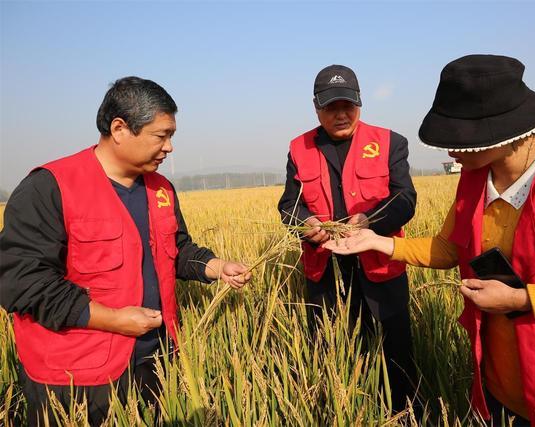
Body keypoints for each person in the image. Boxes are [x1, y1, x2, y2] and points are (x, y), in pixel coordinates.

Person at [323, 55, 535, 426]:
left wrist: (523, 299)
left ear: (506, 133)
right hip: (500, 390)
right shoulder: (475, 177)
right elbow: (449, 248)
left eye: (458, 139)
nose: (450, 150)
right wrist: (378, 242)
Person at [0, 76, 252, 425]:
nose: (169, 148)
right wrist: (114, 319)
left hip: (155, 364)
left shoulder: (160, 188)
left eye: (171, 136)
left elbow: (176, 248)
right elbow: (23, 282)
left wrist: (215, 266)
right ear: (119, 129)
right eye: (161, 135)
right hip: (78, 378)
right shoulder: (49, 187)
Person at [278, 64, 419, 412]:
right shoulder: (299, 148)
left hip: (380, 267)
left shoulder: (390, 142)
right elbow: (287, 204)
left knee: (395, 355)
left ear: (359, 103)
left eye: (348, 105)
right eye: (331, 107)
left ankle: (405, 415)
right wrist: (307, 222)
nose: (341, 114)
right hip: (325, 272)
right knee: (331, 349)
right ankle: (342, 411)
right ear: (316, 107)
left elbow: (405, 199)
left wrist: (369, 220)